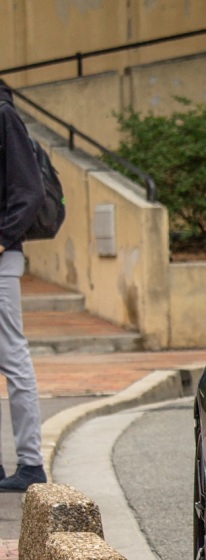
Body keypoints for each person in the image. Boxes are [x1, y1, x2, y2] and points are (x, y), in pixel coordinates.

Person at [0, 81, 49, 491]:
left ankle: (30, 464)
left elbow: (29, 190)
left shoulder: (4, 116)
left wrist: (2, 238)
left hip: (1, 258)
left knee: (12, 357)